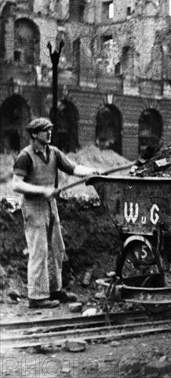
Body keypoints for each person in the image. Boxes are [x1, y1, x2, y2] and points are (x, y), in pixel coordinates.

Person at [12, 117, 99, 309]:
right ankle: (37, 296)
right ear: (34, 134)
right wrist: (42, 190)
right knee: (39, 251)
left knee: (57, 248)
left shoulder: (53, 152)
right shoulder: (25, 156)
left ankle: (54, 289)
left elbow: (74, 168)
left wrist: (94, 172)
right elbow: (16, 184)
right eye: (45, 130)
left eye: (50, 129)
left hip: (51, 206)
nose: (49, 133)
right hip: (34, 207)